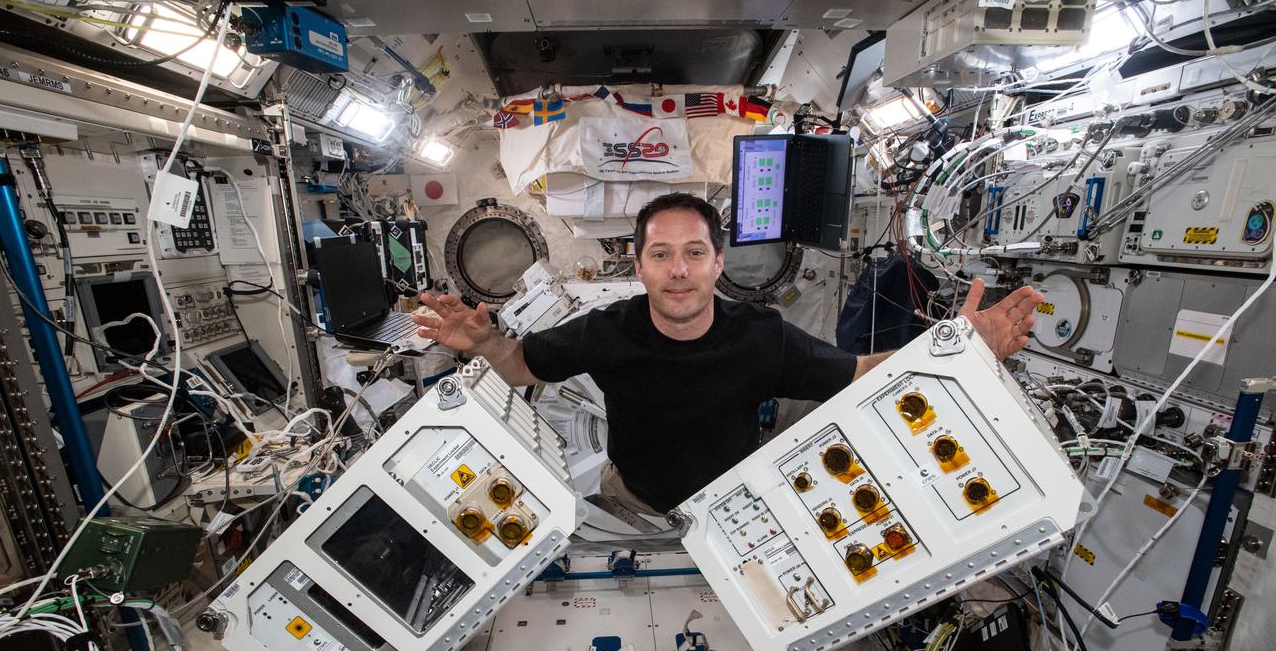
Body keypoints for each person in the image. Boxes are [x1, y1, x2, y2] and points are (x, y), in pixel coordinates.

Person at [412, 193, 1042, 517]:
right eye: (660, 255)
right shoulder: (606, 329)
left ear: (718, 262)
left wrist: (955, 349)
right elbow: (523, 364)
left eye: (694, 253)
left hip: (736, 499)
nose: (678, 271)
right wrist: (487, 342)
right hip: (629, 501)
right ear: (639, 267)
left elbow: (854, 376)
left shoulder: (761, 336)